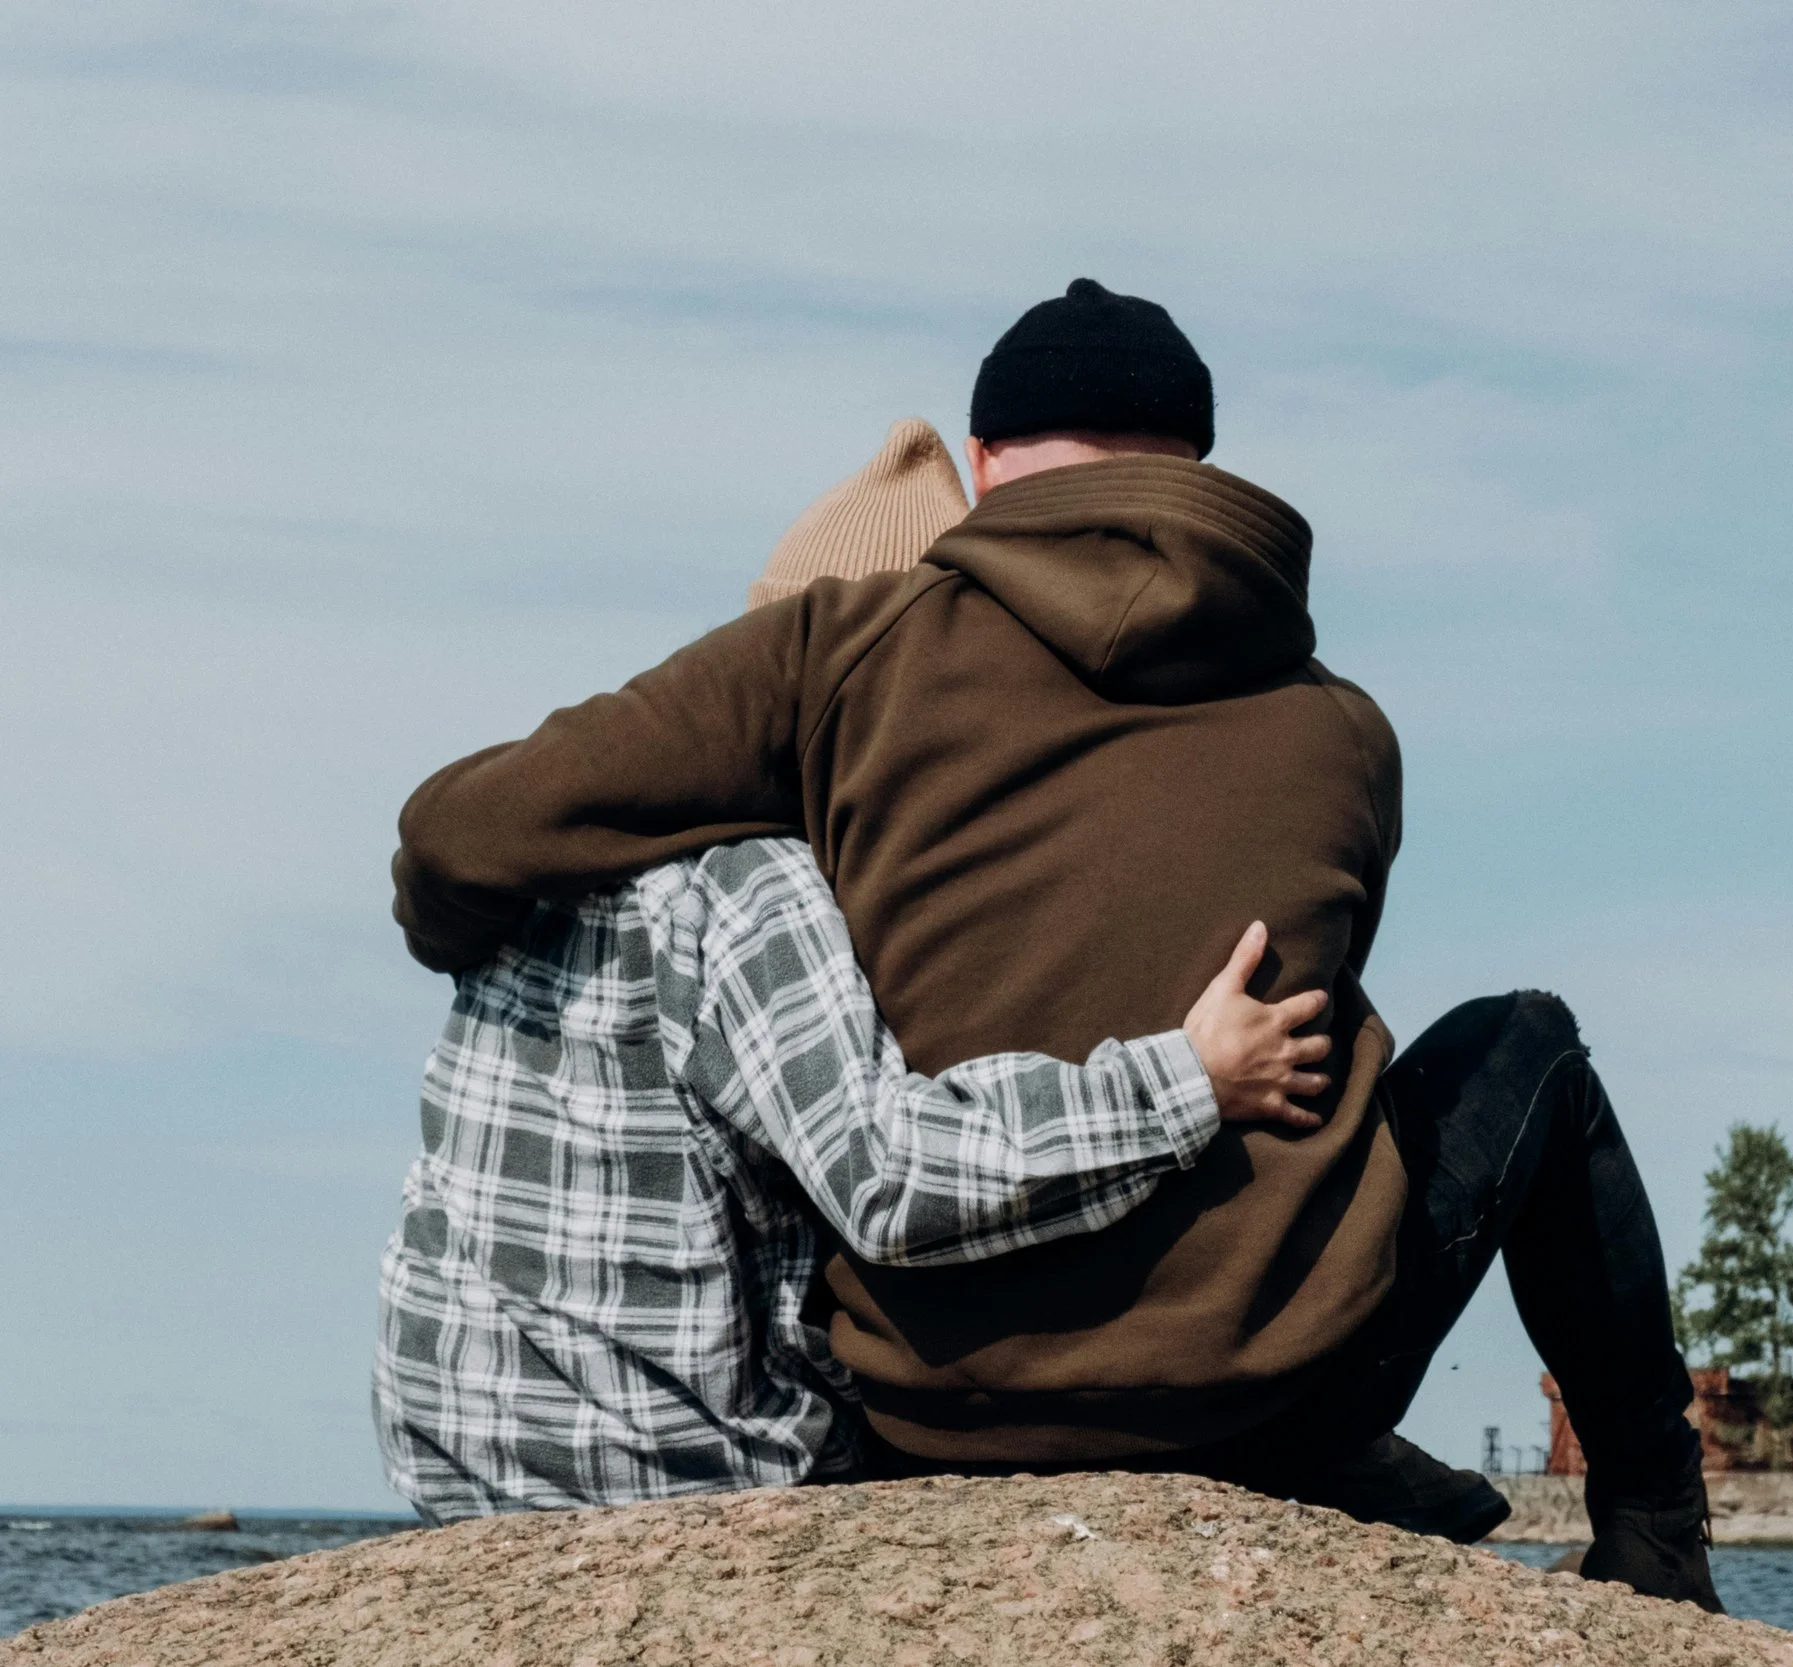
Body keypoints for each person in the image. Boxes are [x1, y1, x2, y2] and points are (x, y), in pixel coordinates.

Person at [389, 280, 1719, 1607]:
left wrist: (467, 943)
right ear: (1199, 467)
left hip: (920, 1423)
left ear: (984, 469)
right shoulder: (1346, 731)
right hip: (1268, 1398)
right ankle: (1654, 1533)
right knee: (1526, 1044)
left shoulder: (837, 655)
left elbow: (460, 833)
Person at [374, 423, 1333, 1522]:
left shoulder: (542, 857)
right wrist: (1185, 1080)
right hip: (671, 1473)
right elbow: (885, 1175)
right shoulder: (745, 887)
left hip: (457, 1451)